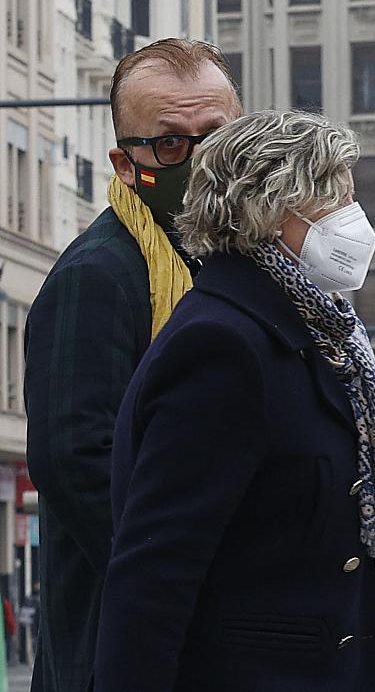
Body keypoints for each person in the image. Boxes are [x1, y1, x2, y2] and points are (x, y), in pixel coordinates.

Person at [94, 110, 375, 691]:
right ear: (268, 209)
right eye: (331, 198)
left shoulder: (312, 330)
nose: (353, 219)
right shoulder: (223, 345)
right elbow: (156, 568)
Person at [23, 38, 240, 692]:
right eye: (170, 144)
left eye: (217, 137)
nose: (200, 161)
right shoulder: (99, 275)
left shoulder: (226, 260)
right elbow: (73, 458)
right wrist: (181, 585)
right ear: (125, 165)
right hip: (130, 648)